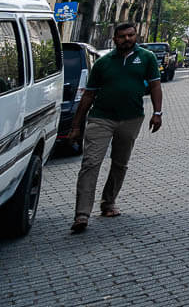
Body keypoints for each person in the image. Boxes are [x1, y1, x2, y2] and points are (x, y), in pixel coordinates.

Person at [68, 22, 163, 233]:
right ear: (115, 39)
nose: (127, 39)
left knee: (120, 163)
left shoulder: (146, 58)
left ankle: (108, 203)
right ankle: (82, 215)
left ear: (135, 36)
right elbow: (88, 95)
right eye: (122, 36)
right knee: (91, 163)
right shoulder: (103, 63)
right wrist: (76, 125)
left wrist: (157, 113)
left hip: (131, 118)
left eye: (131, 35)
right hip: (101, 118)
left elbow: (155, 85)